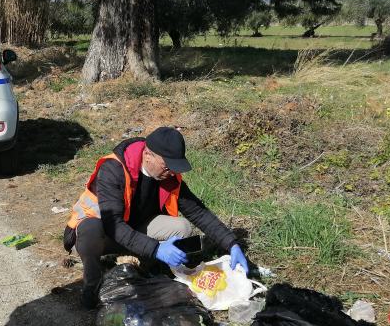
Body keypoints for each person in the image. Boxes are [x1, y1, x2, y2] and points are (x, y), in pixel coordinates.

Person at [64, 127, 250, 309]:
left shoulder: (167, 177)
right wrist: (156, 249)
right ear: (147, 155)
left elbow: (198, 212)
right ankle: (92, 287)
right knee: (90, 231)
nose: (171, 172)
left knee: (182, 228)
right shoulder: (113, 170)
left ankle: (139, 270)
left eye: (174, 168)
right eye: (167, 166)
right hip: (105, 232)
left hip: (134, 230)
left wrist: (231, 244)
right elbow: (114, 225)